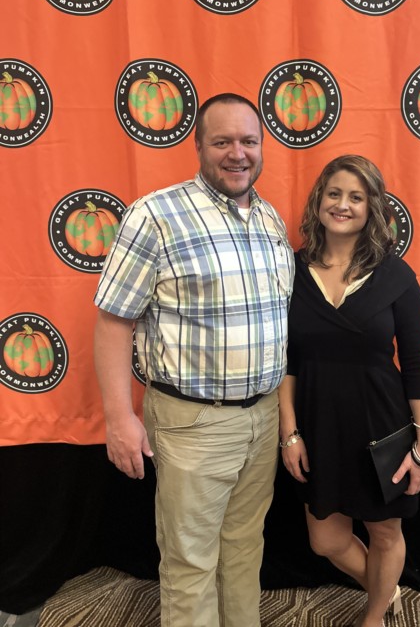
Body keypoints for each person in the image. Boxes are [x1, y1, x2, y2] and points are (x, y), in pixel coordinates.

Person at [93, 93, 294, 627]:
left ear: (262, 146)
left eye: (248, 141)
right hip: (193, 423)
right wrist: (119, 418)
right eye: (222, 141)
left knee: (245, 547)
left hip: (262, 417)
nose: (237, 153)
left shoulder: (270, 219)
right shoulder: (156, 216)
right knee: (190, 563)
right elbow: (113, 321)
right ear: (199, 146)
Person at [278, 155, 420, 627]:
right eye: (334, 194)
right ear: (319, 201)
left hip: (381, 425)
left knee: (385, 534)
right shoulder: (292, 271)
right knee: (325, 540)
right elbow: (287, 362)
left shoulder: (396, 276)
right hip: (318, 424)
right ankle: (386, 589)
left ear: (372, 209)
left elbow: (417, 364)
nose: (342, 205)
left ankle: (374, 617)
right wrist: (289, 433)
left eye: (356, 197)